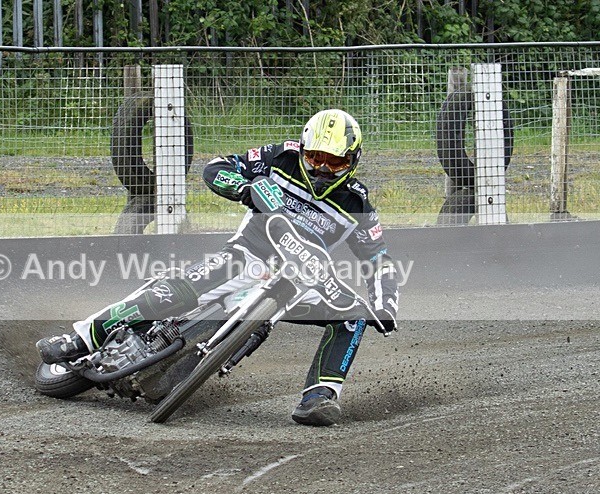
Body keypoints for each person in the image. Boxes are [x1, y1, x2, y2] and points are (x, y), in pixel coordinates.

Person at [37, 109, 399, 426]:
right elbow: (217, 167)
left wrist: (385, 305)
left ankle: (319, 397)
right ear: (303, 150)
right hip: (246, 256)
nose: (321, 169)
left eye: (333, 162)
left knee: (353, 316)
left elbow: (378, 259)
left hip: (300, 283)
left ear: (352, 162)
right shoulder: (280, 157)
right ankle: (81, 338)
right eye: (316, 158)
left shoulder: (358, 204)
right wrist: (244, 188)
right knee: (175, 290)